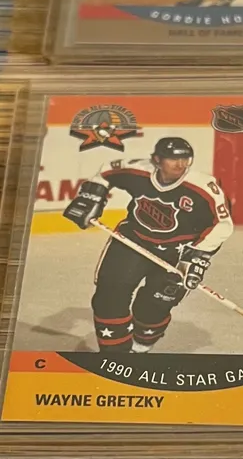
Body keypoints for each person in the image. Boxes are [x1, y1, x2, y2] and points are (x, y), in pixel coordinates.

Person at [63, 137, 233, 352]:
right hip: (132, 242)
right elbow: (106, 171)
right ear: (157, 160)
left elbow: (223, 225)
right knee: (110, 296)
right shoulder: (139, 171)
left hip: (178, 252)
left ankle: (141, 346)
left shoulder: (204, 187)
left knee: (154, 306)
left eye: (185, 159)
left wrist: (197, 256)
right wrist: (92, 196)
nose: (180, 165)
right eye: (173, 159)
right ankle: (114, 357)